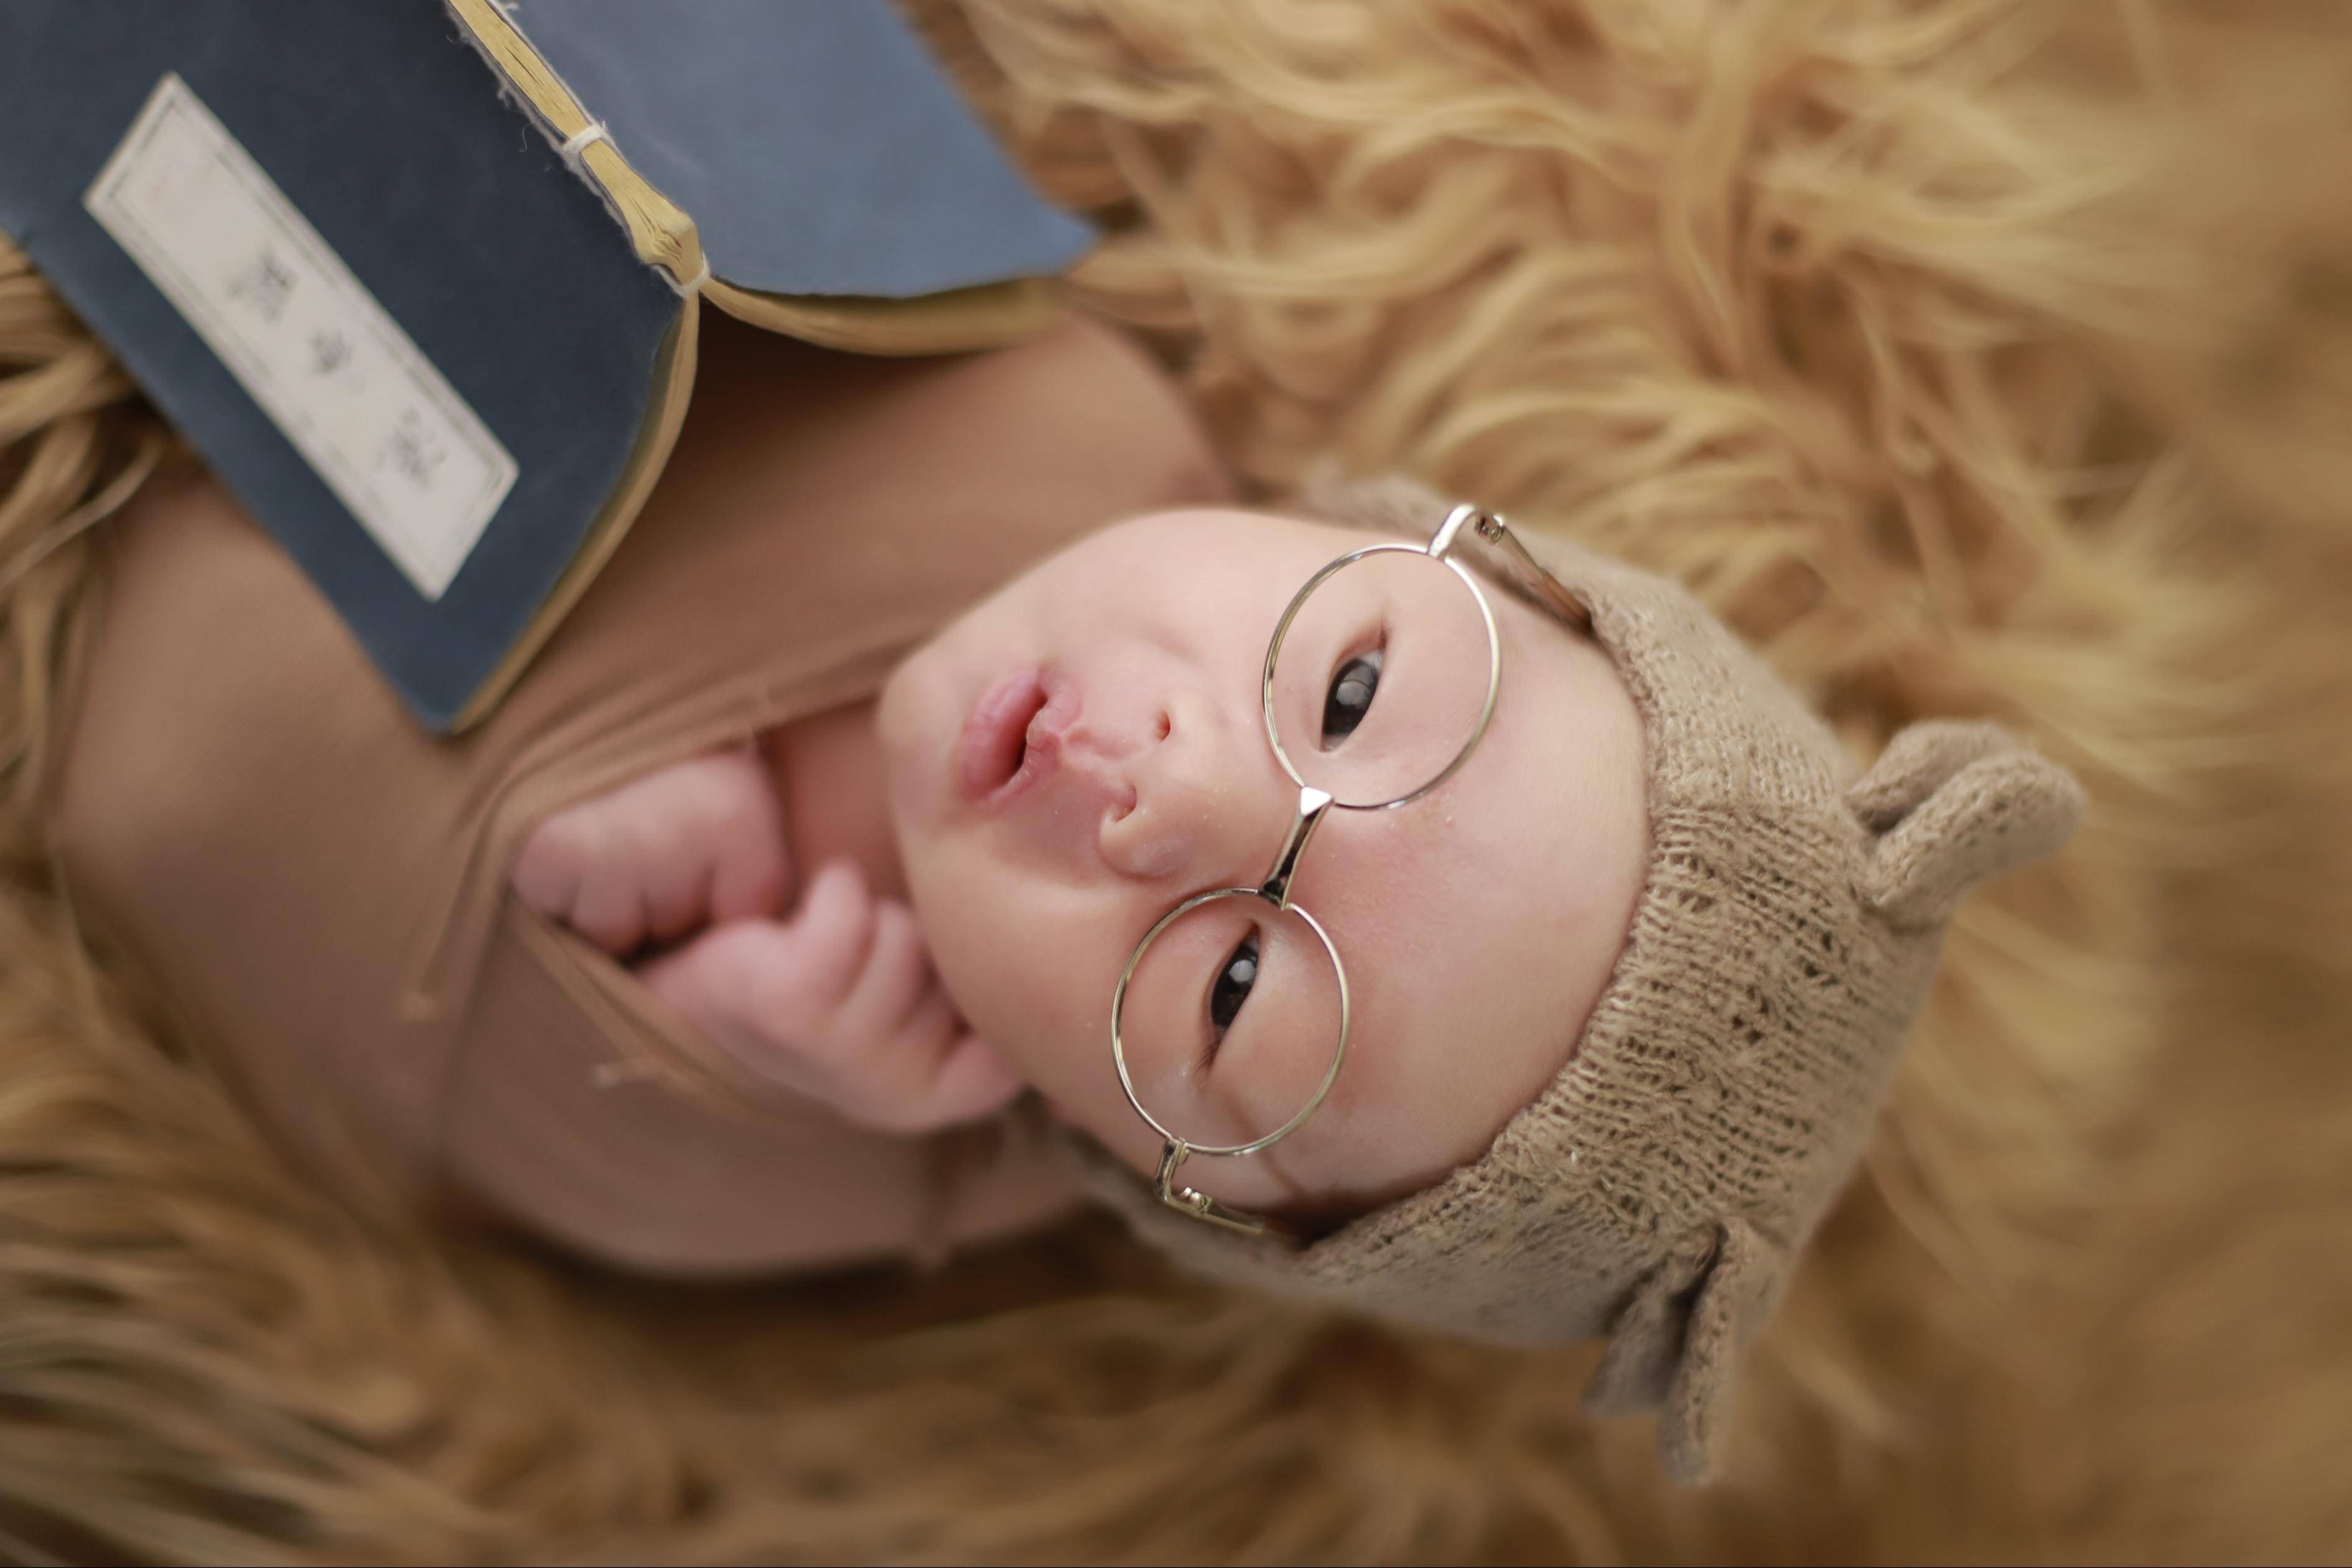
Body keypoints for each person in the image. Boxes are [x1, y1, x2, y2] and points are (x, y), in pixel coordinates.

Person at [47, 310, 2080, 1482]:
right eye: (1352, 690)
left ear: (1155, 1181)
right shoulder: (1048, 398)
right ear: (1382, 529)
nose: (1169, 795)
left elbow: (173, 807)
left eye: (1223, 994)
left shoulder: (860, 1146)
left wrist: (676, 1009)